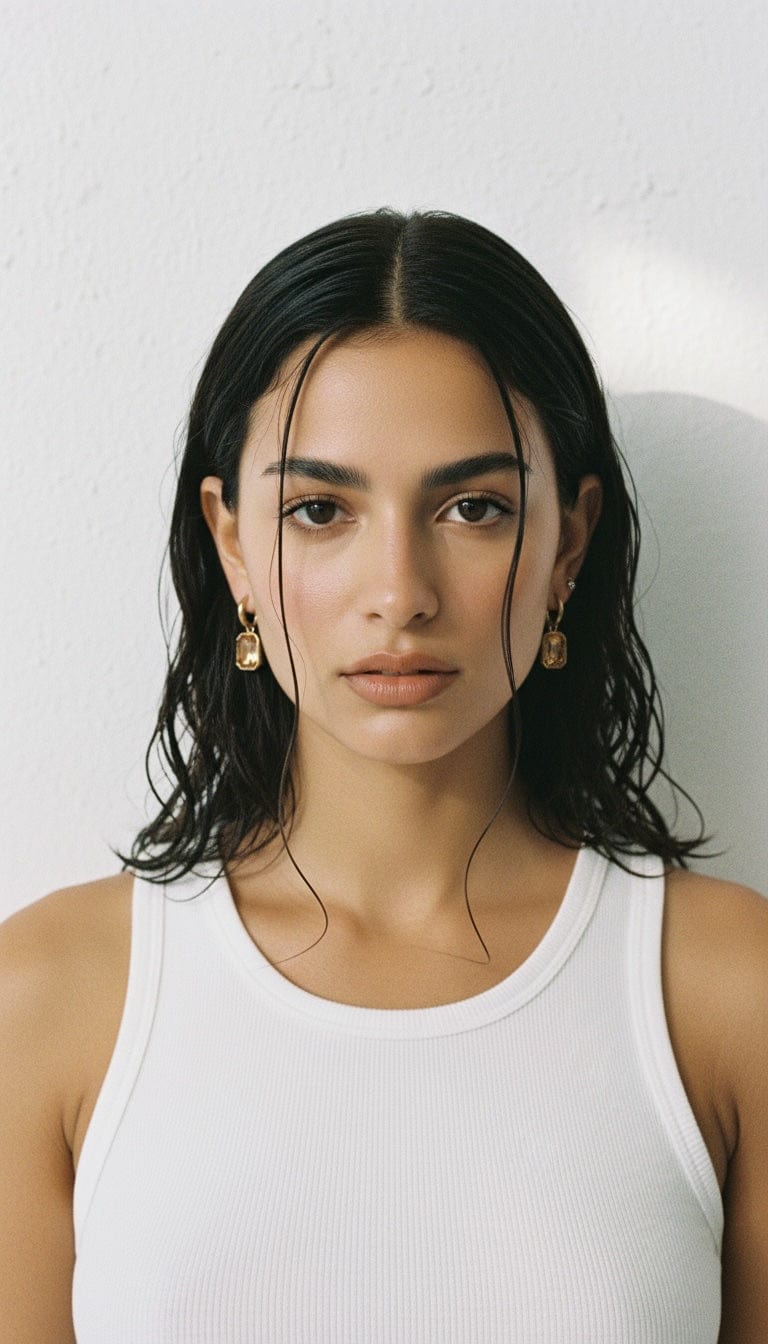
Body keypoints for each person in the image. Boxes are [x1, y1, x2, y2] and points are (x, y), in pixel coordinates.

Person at [0, 209, 765, 1343]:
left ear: (567, 543)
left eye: (473, 508)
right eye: (321, 510)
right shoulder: (49, 1000)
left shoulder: (724, 992)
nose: (399, 589)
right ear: (231, 545)